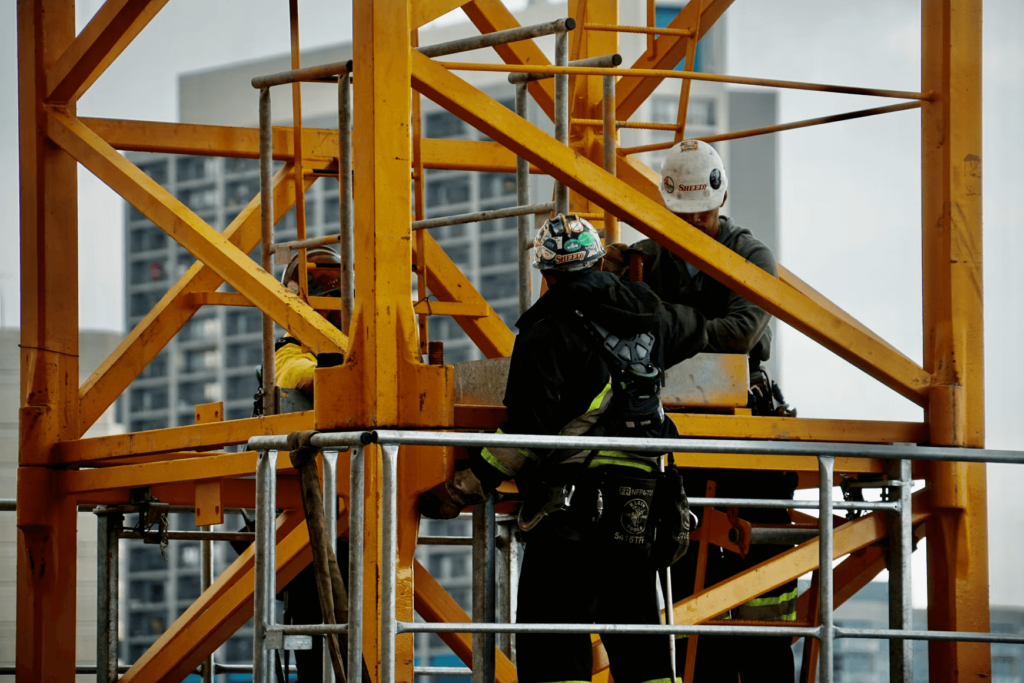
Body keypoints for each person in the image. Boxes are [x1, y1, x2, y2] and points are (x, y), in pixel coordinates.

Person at [419, 214, 707, 683]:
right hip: (641, 501)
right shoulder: (650, 315)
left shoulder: (546, 332)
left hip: (573, 512)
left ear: (547, 275)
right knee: (639, 639)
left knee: (551, 642)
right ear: (598, 262)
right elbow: (697, 329)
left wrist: (463, 488)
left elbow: (528, 435)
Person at [607, 140, 797, 682]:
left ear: (721, 199)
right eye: (683, 215)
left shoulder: (751, 256)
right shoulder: (650, 257)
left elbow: (743, 331)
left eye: (702, 214)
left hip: (746, 430)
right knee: (686, 569)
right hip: (677, 430)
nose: (693, 223)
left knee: (760, 575)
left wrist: (664, 329)